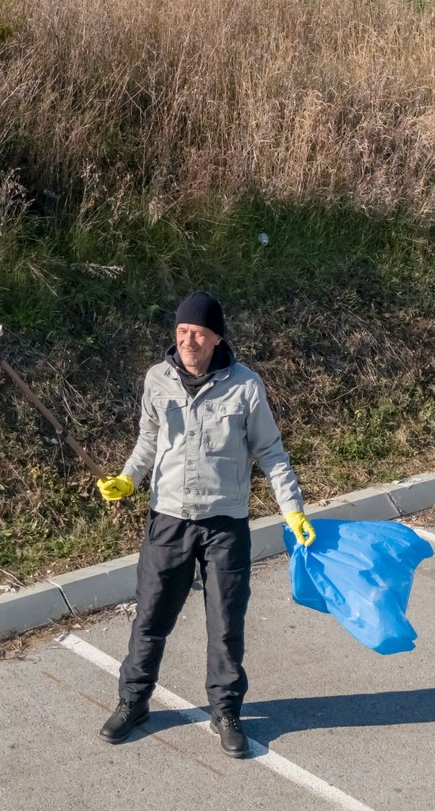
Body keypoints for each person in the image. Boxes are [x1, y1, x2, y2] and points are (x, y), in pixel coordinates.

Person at [94, 292, 314, 758]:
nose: (187, 340)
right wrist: (128, 479)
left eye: (197, 332)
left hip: (225, 526)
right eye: (180, 332)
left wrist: (292, 509)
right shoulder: (157, 380)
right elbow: (148, 440)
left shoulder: (245, 387)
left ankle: (227, 712)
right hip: (168, 521)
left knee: (226, 625)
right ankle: (133, 701)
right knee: (150, 620)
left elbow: (270, 452)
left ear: (216, 337)